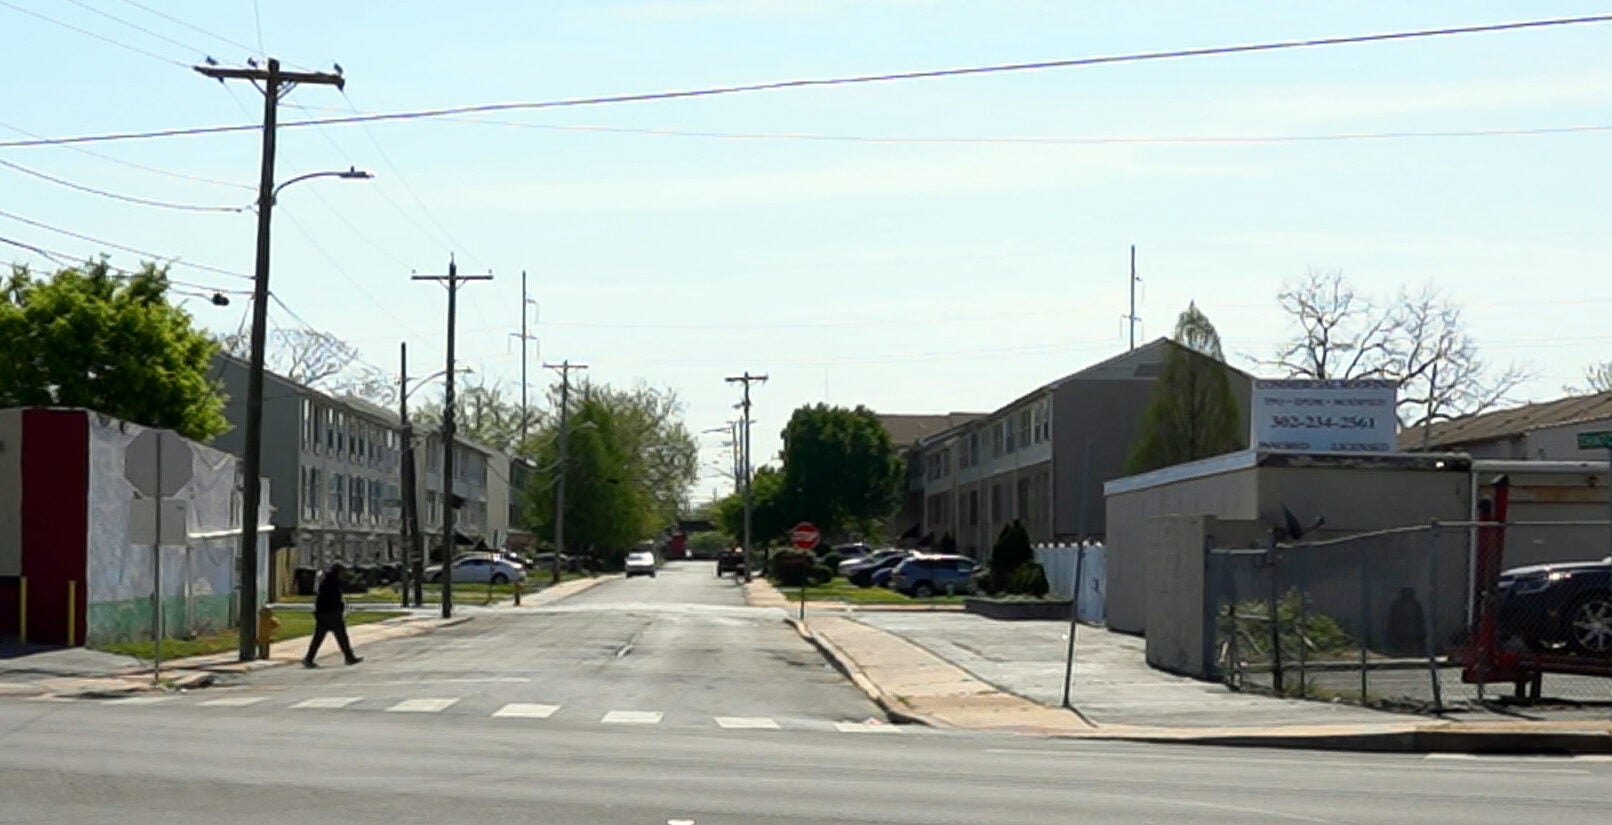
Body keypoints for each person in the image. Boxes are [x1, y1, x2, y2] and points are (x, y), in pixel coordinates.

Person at [303, 562, 363, 668]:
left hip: (326, 614)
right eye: (342, 572)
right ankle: (349, 657)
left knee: (320, 638)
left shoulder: (328, 582)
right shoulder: (332, 583)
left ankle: (309, 658)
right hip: (330, 614)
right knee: (340, 636)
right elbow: (332, 600)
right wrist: (339, 609)